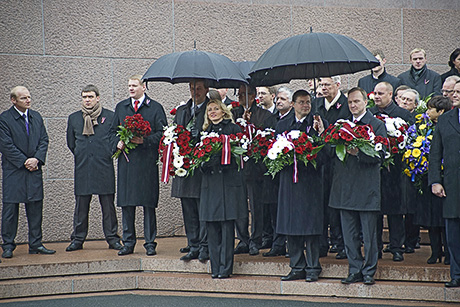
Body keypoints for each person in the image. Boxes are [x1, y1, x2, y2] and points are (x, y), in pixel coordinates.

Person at [329, 87, 387, 286]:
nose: (353, 105)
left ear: (365, 102)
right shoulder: (342, 126)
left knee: (369, 235)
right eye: (350, 102)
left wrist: (358, 153)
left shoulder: (376, 125)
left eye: (356, 101)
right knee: (349, 234)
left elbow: (381, 155)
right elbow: (332, 153)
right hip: (345, 187)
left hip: (367, 188)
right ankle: (354, 269)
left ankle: (369, 270)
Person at [109, 75, 167, 256]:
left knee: (148, 204)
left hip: (146, 163)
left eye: (134, 85)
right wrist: (117, 142)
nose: (131, 88)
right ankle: (128, 242)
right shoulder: (121, 107)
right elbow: (111, 132)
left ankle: (150, 242)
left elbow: (163, 134)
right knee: (127, 204)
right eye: (129, 86)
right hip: (127, 163)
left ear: (144, 87)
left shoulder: (155, 107)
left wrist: (145, 141)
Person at [276, 90, 327, 282]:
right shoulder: (282, 124)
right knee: (291, 224)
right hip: (289, 182)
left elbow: (325, 154)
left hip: (310, 182)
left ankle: (313, 267)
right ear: (293, 104)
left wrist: (318, 134)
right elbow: (275, 153)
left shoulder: (317, 123)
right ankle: (296, 266)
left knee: (310, 225)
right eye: (301, 102)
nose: (305, 105)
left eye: (308, 102)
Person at [0, 86, 55, 258]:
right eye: (23, 98)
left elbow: (44, 140)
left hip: (34, 170)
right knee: (10, 210)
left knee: (35, 208)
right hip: (14, 171)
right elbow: (6, 145)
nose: (28, 100)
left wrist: (37, 159)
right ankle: (8, 245)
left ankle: (36, 243)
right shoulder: (5, 119)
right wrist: (24, 161)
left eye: (29, 97)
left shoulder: (36, 117)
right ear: (13, 100)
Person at [65, 85, 122, 252]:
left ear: (98, 98)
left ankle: (112, 239)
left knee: (108, 207)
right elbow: (71, 143)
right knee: (81, 207)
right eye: (84, 97)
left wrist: (107, 152)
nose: (87, 100)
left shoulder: (110, 116)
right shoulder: (74, 118)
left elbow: (114, 139)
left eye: (90, 97)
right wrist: (81, 154)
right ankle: (78, 239)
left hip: (103, 167)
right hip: (83, 168)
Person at [199, 99, 247, 279]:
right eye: (209, 109)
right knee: (211, 228)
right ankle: (215, 268)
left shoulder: (233, 129)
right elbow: (198, 157)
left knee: (227, 228)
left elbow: (240, 156)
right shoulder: (205, 132)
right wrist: (204, 163)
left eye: (216, 109)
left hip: (227, 185)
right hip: (210, 185)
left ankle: (225, 268)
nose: (212, 112)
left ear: (223, 111)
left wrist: (221, 158)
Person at [369, 82, 413, 261]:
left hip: (395, 171)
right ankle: (376, 248)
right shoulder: (371, 115)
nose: (377, 96)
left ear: (390, 95)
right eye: (375, 94)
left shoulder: (402, 115)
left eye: (381, 93)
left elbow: (411, 139)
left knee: (395, 212)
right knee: (375, 212)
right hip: (375, 171)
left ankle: (396, 247)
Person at [232, 85, 276, 256]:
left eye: (244, 94)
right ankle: (242, 239)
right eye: (239, 94)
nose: (241, 97)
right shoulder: (234, 114)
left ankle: (255, 240)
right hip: (238, 168)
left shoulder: (265, 115)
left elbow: (269, 137)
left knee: (256, 206)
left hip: (256, 169)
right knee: (239, 206)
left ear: (253, 96)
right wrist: (241, 122)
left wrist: (251, 124)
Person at [313, 76, 351, 259]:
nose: (324, 88)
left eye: (327, 84)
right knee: (321, 204)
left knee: (337, 205)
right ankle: (322, 243)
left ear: (338, 85)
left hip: (338, 162)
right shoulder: (317, 105)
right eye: (321, 85)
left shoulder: (345, 105)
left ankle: (340, 242)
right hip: (321, 164)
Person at [171, 79, 209, 261]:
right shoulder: (182, 111)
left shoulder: (211, 109)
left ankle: (204, 246)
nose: (195, 92)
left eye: (199, 88)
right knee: (188, 209)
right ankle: (193, 244)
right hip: (184, 168)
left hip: (202, 170)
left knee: (203, 211)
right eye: (192, 88)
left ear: (206, 90)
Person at [429, 80, 460, 288]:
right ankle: (456, 274)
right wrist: (434, 181)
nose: (454, 95)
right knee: (453, 236)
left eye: (458, 92)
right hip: (452, 186)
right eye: (453, 92)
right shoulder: (445, 119)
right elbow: (435, 154)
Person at [415, 96, 452, 265]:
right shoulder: (424, 127)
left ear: (441, 111)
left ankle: (449, 253)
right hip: (429, 178)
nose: (427, 112)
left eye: (431, 109)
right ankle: (435, 251)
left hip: (446, 180)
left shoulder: (449, 126)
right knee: (431, 219)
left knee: (444, 219)